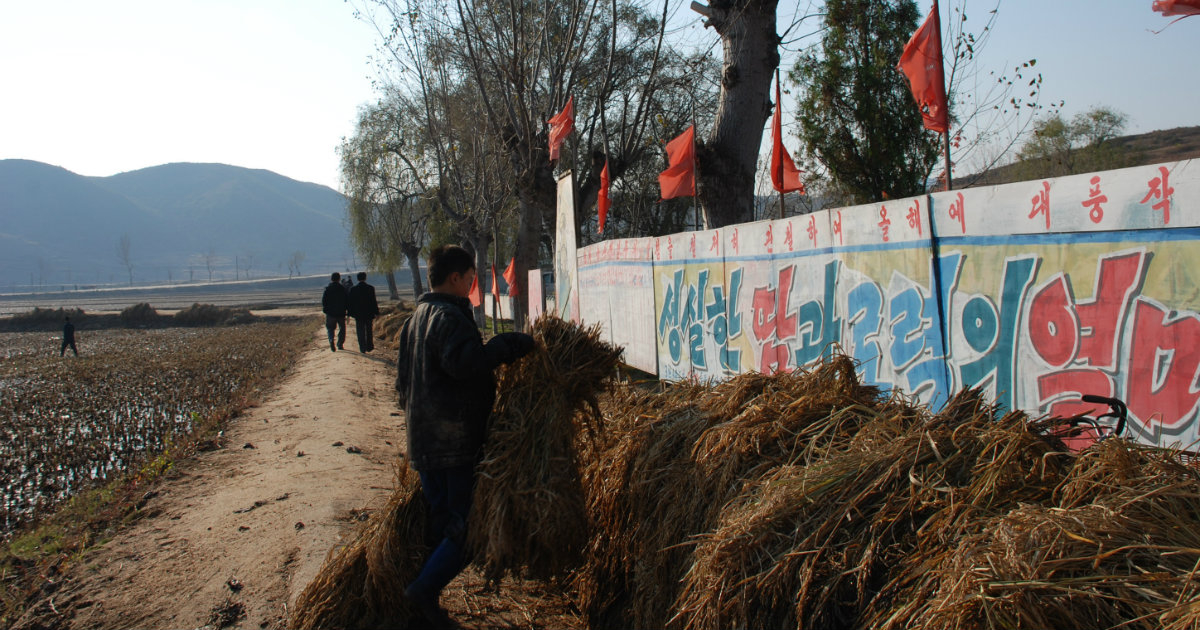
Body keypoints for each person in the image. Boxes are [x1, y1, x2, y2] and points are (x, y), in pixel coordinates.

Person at [394, 245, 535, 626]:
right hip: (454, 444)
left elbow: (401, 384)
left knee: (443, 522)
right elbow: (467, 365)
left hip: (423, 444)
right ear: (455, 278)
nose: (473, 283)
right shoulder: (448, 318)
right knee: (468, 527)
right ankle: (422, 589)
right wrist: (505, 348)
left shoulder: (415, 319)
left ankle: (423, 599)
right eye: (470, 277)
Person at [347, 272, 380, 353]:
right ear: (365, 278)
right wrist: (376, 312)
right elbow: (373, 301)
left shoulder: (353, 289)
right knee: (369, 330)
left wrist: (350, 313)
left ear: (358, 279)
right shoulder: (370, 288)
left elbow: (350, 303)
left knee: (360, 331)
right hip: (369, 313)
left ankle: (362, 348)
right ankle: (369, 346)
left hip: (358, 314)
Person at [321, 272, 349, 352]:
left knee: (330, 328)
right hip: (341, 313)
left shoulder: (328, 289)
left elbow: (324, 301)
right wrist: (347, 311)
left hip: (330, 313)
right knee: (342, 328)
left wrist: (326, 310)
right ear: (339, 279)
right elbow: (347, 301)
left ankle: (331, 339)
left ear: (331, 279)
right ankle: (340, 344)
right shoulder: (343, 289)